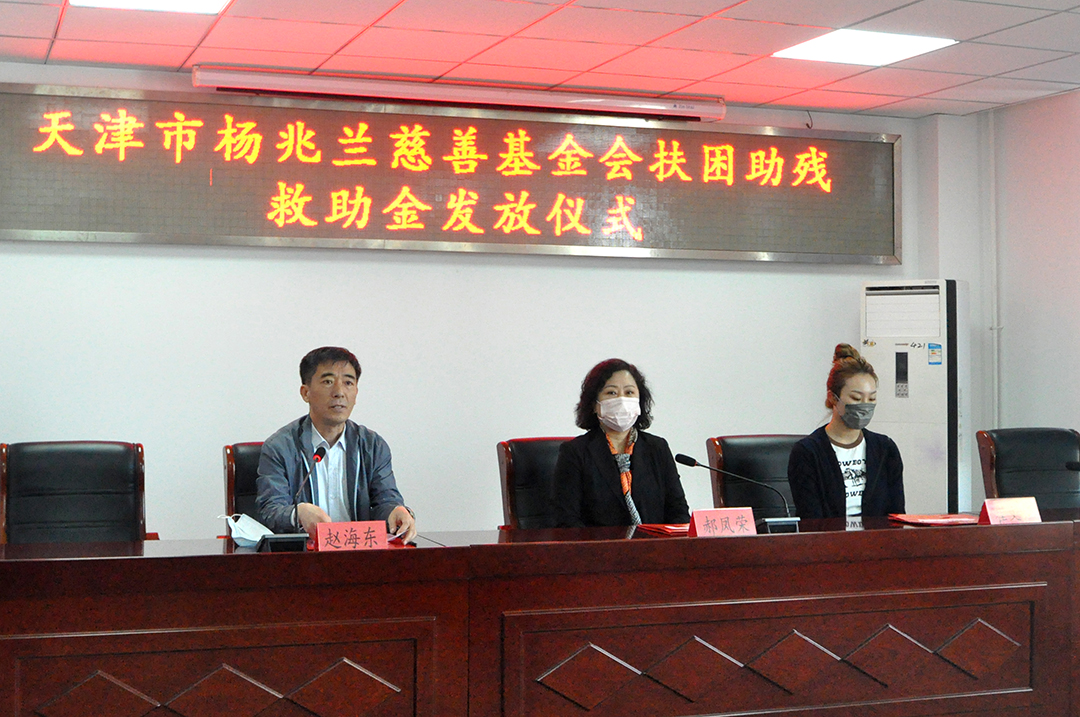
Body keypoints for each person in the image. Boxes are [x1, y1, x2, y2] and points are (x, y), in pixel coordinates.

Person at [257, 346, 416, 541]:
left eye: (348, 382)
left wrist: (396, 511)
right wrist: (297, 513)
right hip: (306, 554)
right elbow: (270, 511)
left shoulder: (373, 446)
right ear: (306, 393)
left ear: (356, 392)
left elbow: (385, 500)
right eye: (328, 382)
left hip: (360, 552)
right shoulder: (280, 447)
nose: (339, 392)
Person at [553, 358, 690, 527]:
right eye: (611, 393)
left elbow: (678, 512)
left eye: (629, 392)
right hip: (599, 544)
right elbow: (567, 520)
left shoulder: (657, 448)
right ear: (594, 405)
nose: (622, 400)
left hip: (655, 543)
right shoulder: (575, 452)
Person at [787, 343, 904, 520]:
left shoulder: (885, 449)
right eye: (856, 398)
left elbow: (897, 515)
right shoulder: (808, 452)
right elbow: (811, 518)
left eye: (871, 398)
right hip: (829, 536)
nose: (865, 405)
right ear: (833, 398)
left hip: (877, 537)